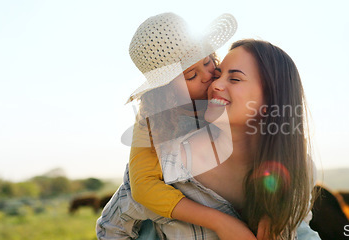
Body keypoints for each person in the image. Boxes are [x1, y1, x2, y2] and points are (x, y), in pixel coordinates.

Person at [97, 38, 321, 239]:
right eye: (192, 76)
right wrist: (221, 223)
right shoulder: (167, 165)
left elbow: (302, 230)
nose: (213, 83)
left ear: (269, 102)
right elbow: (114, 227)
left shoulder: (298, 171)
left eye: (233, 78)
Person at [97, 12, 259, 240]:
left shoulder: (226, 99)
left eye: (207, 61)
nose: (208, 75)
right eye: (191, 75)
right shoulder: (152, 119)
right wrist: (221, 223)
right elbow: (143, 185)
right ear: (165, 90)